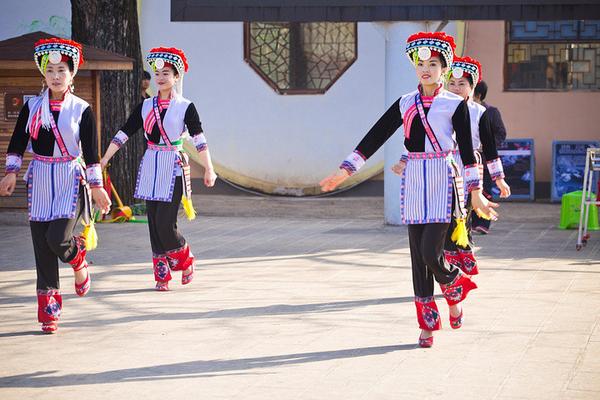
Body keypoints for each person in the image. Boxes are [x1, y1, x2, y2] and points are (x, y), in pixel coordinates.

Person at [320, 32, 498, 348]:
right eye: (421, 64)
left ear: (445, 68)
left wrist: (476, 192)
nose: (426, 69)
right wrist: (345, 170)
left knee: (432, 252)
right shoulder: (405, 103)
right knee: (418, 258)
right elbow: (374, 137)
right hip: (414, 181)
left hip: (444, 180)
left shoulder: (454, 105)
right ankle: (428, 324)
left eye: (433, 63)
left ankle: (454, 287)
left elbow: (468, 153)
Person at [0, 38, 111, 333]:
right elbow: (17, 142)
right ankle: (50, 311)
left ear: (72, 73)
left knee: (58, 239)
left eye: (61, 70)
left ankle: (78, 260)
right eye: (50, 71)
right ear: (43, 74)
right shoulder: (32, 107)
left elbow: (91, 149)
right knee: (41, 246)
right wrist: (11, 173)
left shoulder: (82, 109)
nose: (56, 76)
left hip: (69, 179)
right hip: (39, 180)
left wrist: (97, 187)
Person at [101, 47, 217, 291]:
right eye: (158, 74)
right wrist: (104, 159)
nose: (161, 78)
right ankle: (162, 275)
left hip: (173, 165)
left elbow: (198, 138)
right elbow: (125, 132)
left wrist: (209, 168)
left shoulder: (185, 106)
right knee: (153, 222)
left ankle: (185, 258)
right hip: (152, 164)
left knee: (166, 223)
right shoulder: (145, 107)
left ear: (176, 77)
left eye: (167, 73)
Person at [444, 57, 510, 274]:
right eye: (451, 83)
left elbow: (490, 147)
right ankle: (446, 265)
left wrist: (499, 178)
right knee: (443, 219)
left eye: (462, 84)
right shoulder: (437, 107)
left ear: (472, 88)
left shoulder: (479, 112)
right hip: (441, 167)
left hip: (468, 167)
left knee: (463, 215)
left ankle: (460, 262)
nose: (455, 88)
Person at [472, 80, 509, 234]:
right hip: (469, 159)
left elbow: (501, 133)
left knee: (484, 190)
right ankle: (472, 223)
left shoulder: (491, 112)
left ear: (479, 95)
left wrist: (486, 143)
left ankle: (483, 223)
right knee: (469, 190)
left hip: (486, 159)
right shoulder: (462, 110)